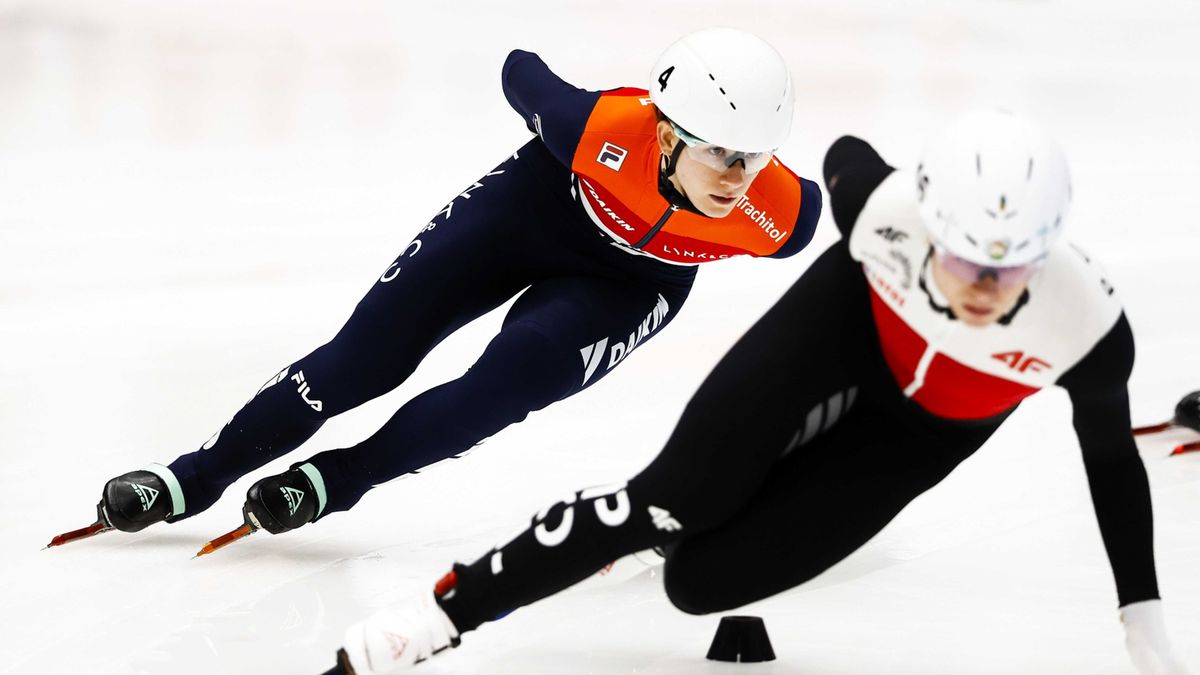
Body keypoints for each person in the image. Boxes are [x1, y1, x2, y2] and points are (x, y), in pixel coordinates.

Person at [334, 110, 1187, 675]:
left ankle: (709, 547)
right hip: (844, 330)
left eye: (1012, 267)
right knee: (672, 499)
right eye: (965, 257)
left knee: (700, 582)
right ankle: (444, 613)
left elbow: (1111, 461)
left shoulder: (1086, 322)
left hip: (926, 431)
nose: (983, 288)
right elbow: (846, 157)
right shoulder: (889, 211)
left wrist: (1140, 615)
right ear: (931, 223)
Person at [77, 29, 821, 542]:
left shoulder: (779, 216)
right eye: (720, 152)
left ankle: (338, 480)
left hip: (633, 283)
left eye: (755, 157)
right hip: (533, 210)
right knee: (360, 363)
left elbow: (832, 205)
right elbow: (518, 69)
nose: (737, 178)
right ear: (665, 132)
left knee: (507, 382)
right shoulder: (591, 127)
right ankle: (190, 478)